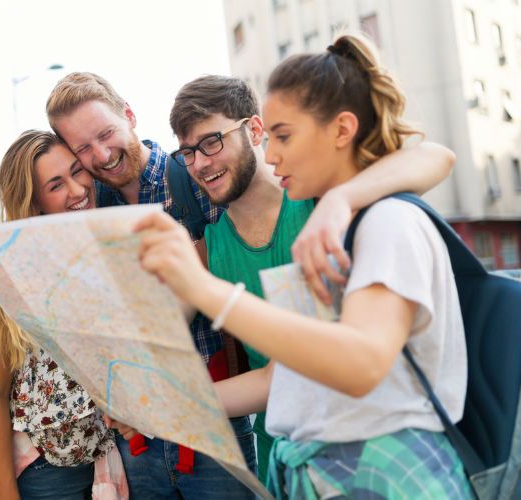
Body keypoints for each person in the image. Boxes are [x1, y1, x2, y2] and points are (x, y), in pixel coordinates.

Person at [136, 33, 474, 500]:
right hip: (313, 467)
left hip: (380, 472)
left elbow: (358, 363)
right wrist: (152, 402)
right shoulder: (230, 239)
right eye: (187, 152)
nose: (274, 156)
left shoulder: (373, 219)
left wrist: (341, 199)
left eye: (284, 136)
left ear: (340, 130)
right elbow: (285, 375)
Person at [46, 72, 258, 500]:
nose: (102, 155)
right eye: (83, 148)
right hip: (134, 437)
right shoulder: (89, 207)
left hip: (211, 419)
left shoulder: (193, 175)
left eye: (106, 134)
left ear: (130, 115)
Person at [0, 130, 126, 500]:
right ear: (33, 201)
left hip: (109, 462)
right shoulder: (8, 279)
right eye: (56, 184)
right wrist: (7, 496)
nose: (78, 189)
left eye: (76, 172)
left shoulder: (107, 256)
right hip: (45, 475)